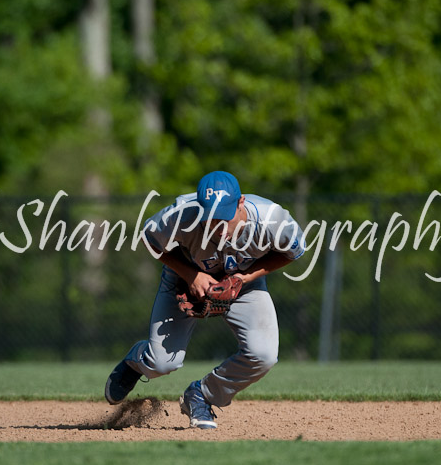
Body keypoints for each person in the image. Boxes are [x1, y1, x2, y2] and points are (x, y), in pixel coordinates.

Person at [104, 170, 305, 429]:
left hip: (243, 282)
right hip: (184, 277)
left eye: (224, 217)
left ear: (241, 202)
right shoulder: (182, 214)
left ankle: (202, 394)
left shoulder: (271, 218)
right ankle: (135, 362)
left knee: (263, 355)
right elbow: (150, 238)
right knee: (162, 362)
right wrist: (190, 275)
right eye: (210, 218)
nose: (218, 226)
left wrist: (244, 278)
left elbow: (293, 251)